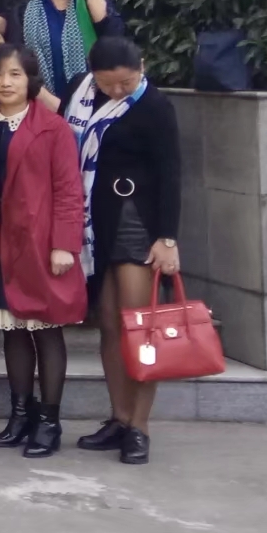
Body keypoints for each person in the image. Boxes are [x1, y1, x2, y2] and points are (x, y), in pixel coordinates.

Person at [67, 36, 181, 466]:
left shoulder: (154, 105)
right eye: (107, 83)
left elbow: (171, 172)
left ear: (142, 67)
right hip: (94, 220)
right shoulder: (81, 93)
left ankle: (140, 426)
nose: (117, 90)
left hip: (137, 221)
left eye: (126, 82)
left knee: (139, 328)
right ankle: (118, 417)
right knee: (110, 325)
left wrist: (167, 237)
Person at [0, 43, 86, 458]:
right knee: (13, 330)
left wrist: (65, 245)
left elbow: (69, 190)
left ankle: (49, 422)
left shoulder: (53, 127)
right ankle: (20, 415)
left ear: (30, 80)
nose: (5, 82)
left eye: (15, 74)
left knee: (46, 329)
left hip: (41, 242)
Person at [5, 0, 126, 110]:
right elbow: (16, 61)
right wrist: (54, 105)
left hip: (98, 103)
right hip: (41, 106)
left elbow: (115, 38)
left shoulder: (93, 2)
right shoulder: (23, 10)